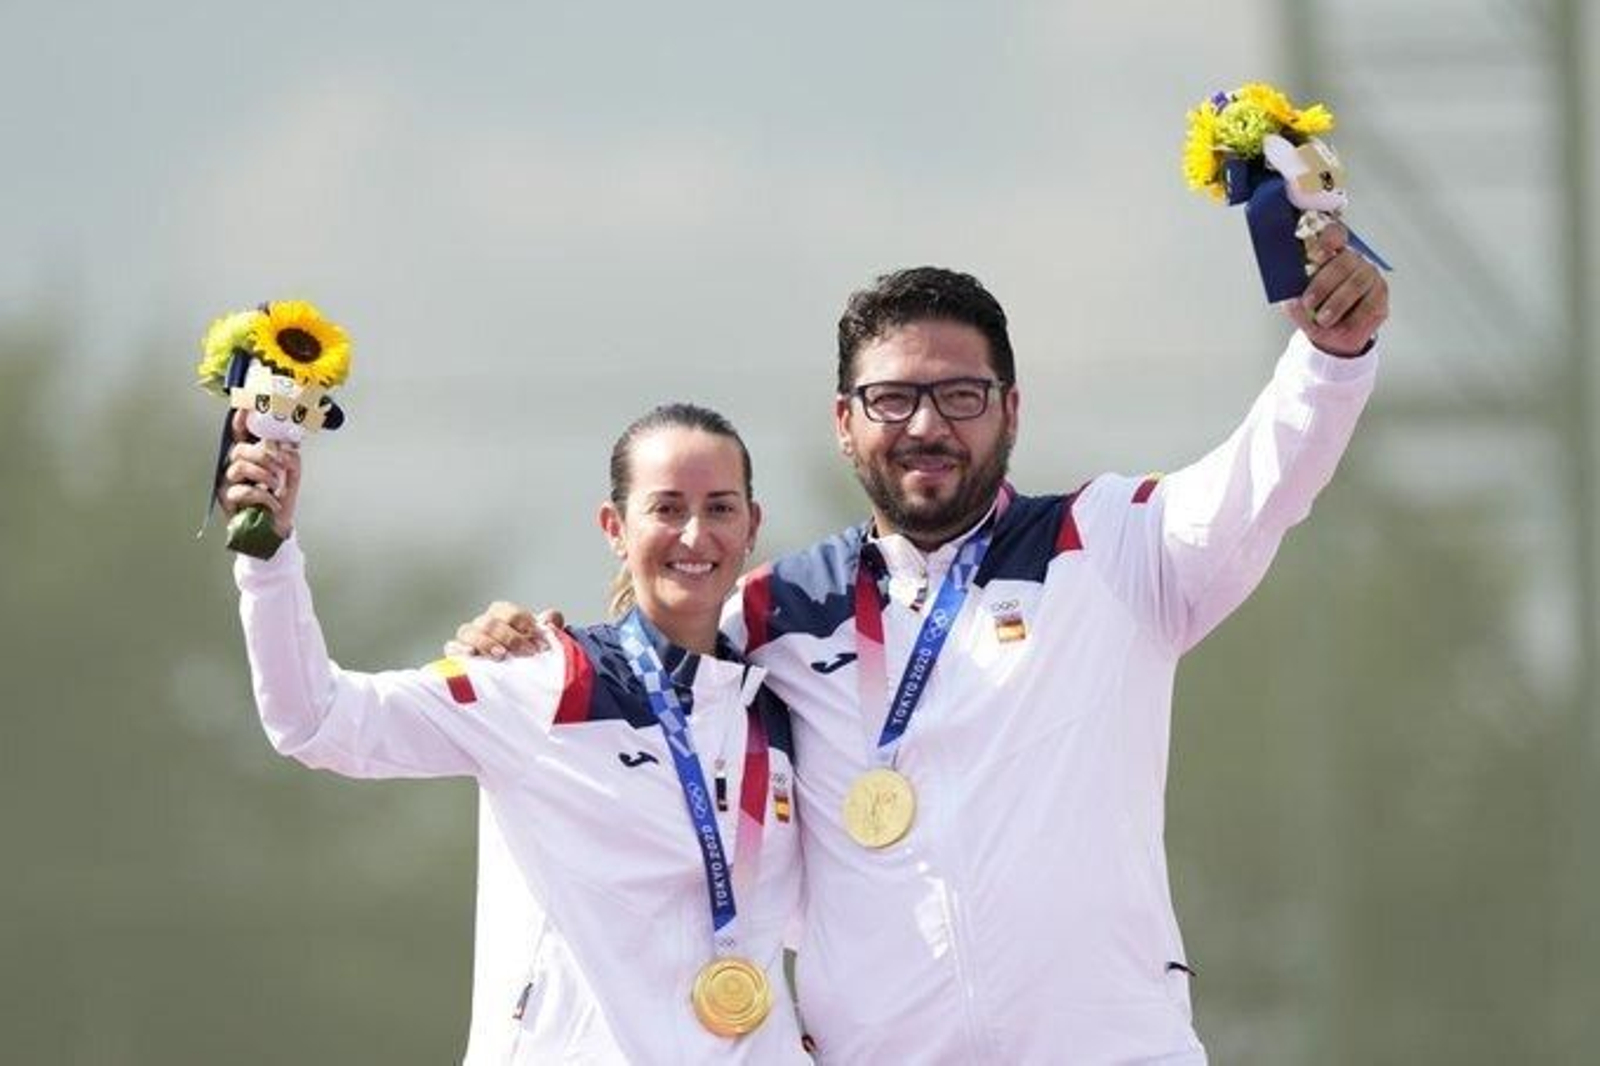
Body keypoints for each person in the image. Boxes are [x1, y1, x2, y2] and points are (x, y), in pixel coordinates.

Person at [456, 223, 1388, 1062]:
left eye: (961, 395)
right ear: (844, 422)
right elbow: (649, 662)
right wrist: (525, 644)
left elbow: (1269, 474)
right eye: (893, 398)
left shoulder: (1112, 547)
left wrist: (1331, 358)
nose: (928, 426)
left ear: (1012, 409)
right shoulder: (774, 609)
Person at [220, 403, 809, 1065]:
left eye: (721, 508)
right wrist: (268, 559)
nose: (695, 535)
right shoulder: (544, 682)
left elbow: (820, 919)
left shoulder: (779, 711)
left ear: (752, 525)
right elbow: (315, 719)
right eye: (667, 508)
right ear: (615, 527)